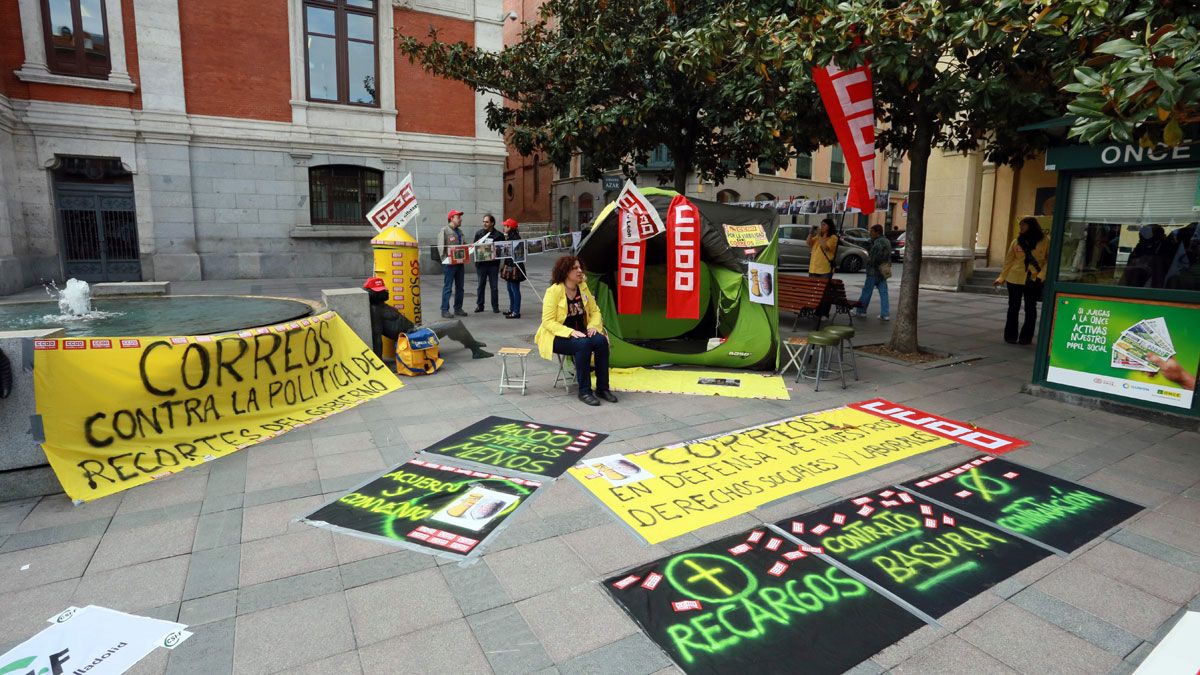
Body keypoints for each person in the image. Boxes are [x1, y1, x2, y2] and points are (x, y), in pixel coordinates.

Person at [536, 256, 616, 407]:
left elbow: (595, 311)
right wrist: (569, 332)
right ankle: (584, 391)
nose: (580, 271)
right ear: (565, 272)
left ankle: (602, 388)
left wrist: (593, 326)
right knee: (583, 344)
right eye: (575, 268)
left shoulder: (582, 287)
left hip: (582, 333)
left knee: (600, 341)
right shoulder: (553, 291)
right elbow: (547, 322)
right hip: (557, 336)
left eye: (580, 267)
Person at [363, 277, 492, 359]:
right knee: (455, 324)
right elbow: (377, 338)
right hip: (413, 335)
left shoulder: (382, 305)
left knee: (449, 325)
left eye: (383, 289)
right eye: (380, 291)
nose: (385, 292)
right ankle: (475, 350)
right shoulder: (375, 310)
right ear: (373, 293)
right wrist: (379, 364)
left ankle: (470, 342)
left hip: (416, 329)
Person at [994, 216, 1049, 344]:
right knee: (1013, 307)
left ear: (1032, 226)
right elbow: (1009, 261)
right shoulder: (1016, 242)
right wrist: (1001, 278)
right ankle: (1010, 336)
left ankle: (1026, 337)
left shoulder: (1045, 241)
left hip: (1033, 279)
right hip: (1014, 278)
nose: (1021, 228)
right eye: (1020, 225)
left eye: (1024, 225)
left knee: (1030, 308)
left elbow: (1049, 260)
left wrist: (1041, 276)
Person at [857, 224, 891, 321]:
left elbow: (874, 259)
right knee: (884, 293)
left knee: (867, 291)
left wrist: (869, 262)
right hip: (884, 271)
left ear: (877, 232)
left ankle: (861, 311)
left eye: (872, 231)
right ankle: (885, 314)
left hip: (873, 272)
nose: (870, 233)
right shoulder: (887, 241)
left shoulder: (878, 243)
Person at [438, 209, 468, 319]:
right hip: (449, 264)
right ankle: (444, 309)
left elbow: (464, 245)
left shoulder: (460, 232)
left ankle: (458, 308)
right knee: (448, 287)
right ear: (451, 218)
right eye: (458, 217)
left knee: (460, 287)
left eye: (460, 217)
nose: (460, 219)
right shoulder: (444, 231)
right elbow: (441, 248)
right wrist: (445, 261)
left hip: (460, 263)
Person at [473, 213, 501, 313]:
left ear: (492, 223)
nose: (484, 223)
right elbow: (474, 248)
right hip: (481, 265)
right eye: (484, 221)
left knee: (494, 287)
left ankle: (495, 306)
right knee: (480, 286)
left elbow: (501, 251)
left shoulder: (499, 235)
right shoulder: (479, 234)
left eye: (487, 222)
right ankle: (480, 306)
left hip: (493, 265)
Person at [499, 218, 526, 319]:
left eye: (505, 226)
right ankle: (512, 308)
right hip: (510, 265)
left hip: (515, 266)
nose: (504, 227)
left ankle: (516, 311)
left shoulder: (515, 238)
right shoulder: (510, 237)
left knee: (514, 289)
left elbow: (518, 254)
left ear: (510, 227)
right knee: (510, 288)